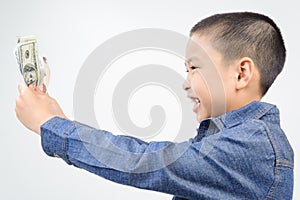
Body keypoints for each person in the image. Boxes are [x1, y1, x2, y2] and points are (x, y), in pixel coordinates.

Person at [15, 12, 294, 199]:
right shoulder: (230, 141)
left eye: (194, 67)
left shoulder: (253, 146)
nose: (185, 83)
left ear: (241, 73)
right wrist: (58, 120)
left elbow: (144, 160)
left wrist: (50, 126)